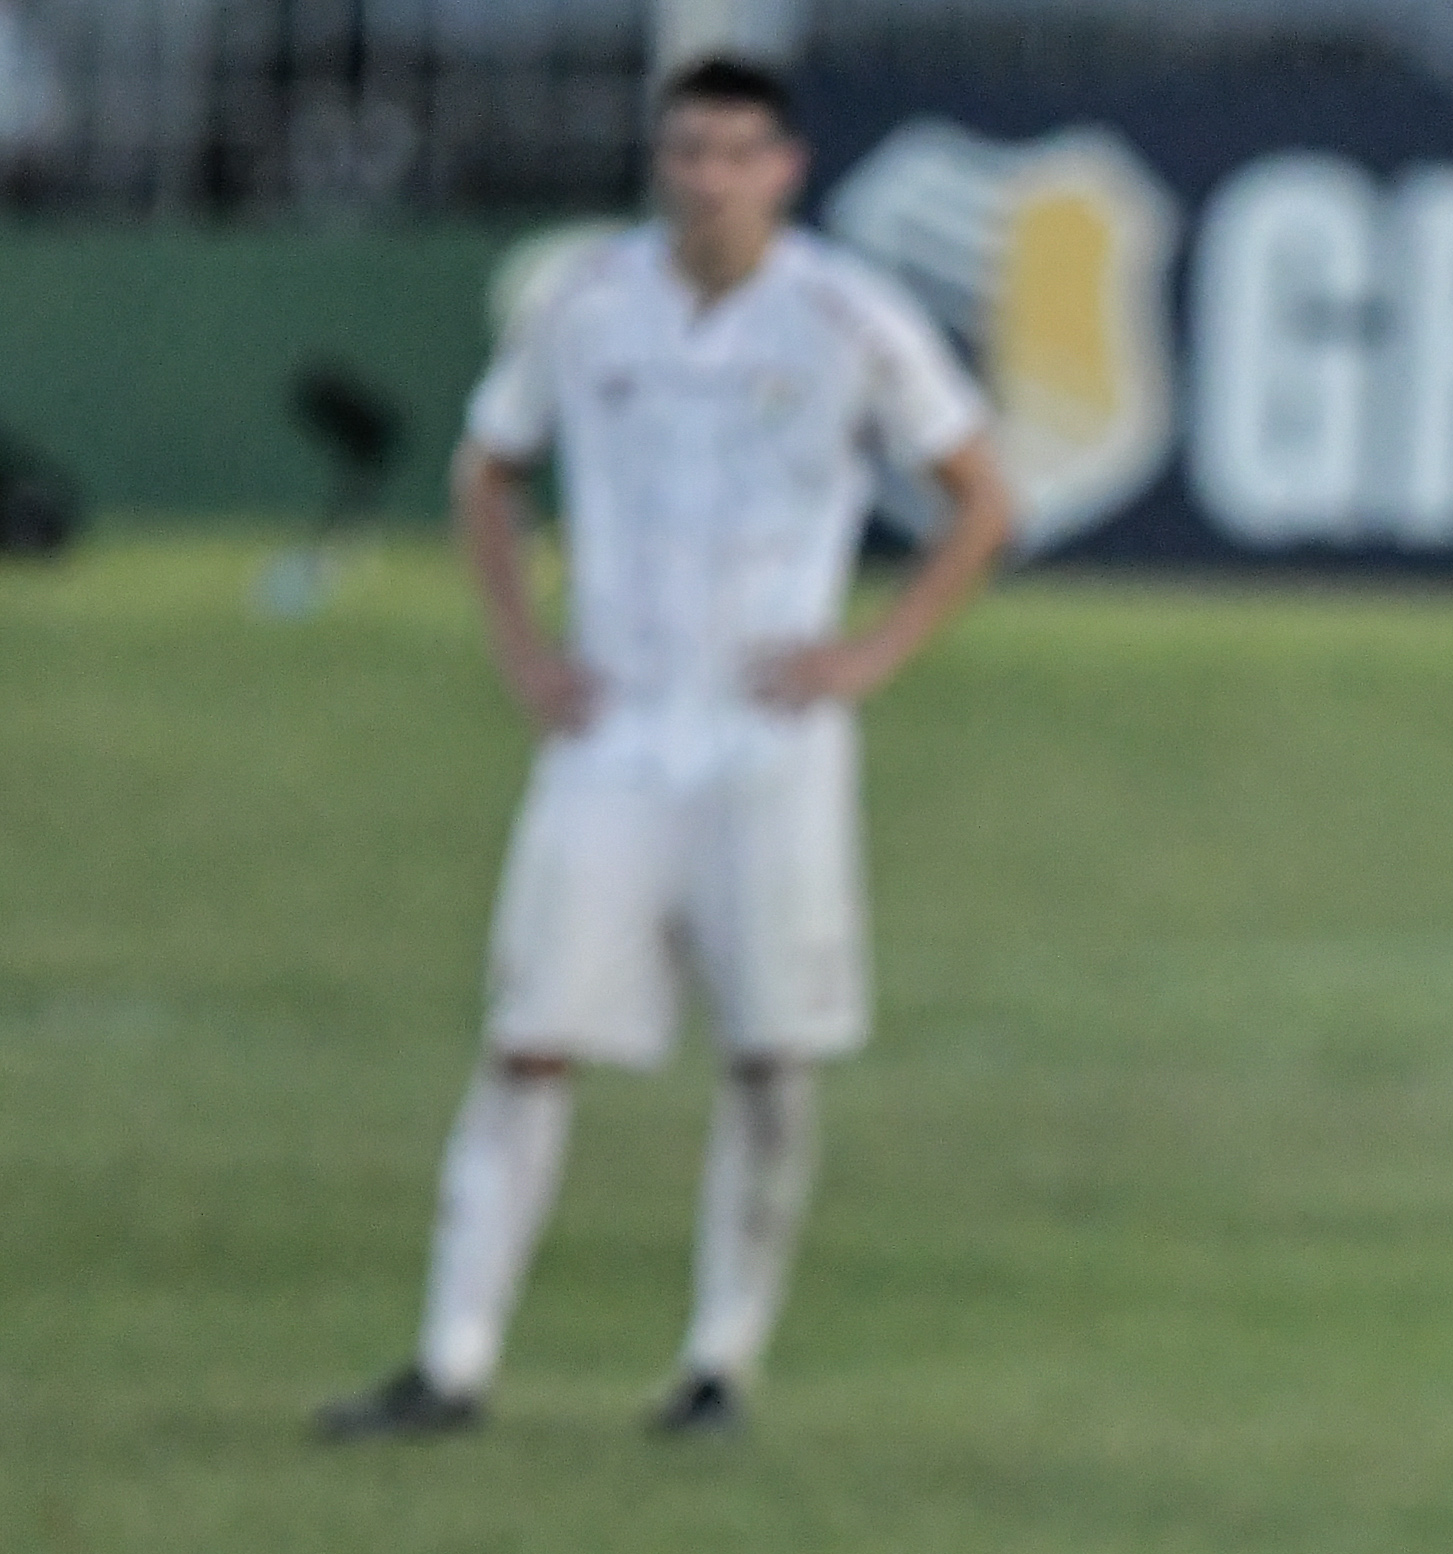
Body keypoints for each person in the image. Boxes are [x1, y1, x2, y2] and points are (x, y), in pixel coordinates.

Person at [317, 55, 1009, 1440]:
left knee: (771, 1053)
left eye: (736, 153)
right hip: (618, 728)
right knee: (530, 1034)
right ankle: (453, 1358)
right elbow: (488, 466)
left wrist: (868, 655)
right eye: (687, 150)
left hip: (769, 737)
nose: (707, 178)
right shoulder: (585, 305)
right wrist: (523, 650)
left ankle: (720, 1360)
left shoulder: (844, 318)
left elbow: (980, 494)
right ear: (660, 163)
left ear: (785, 170)